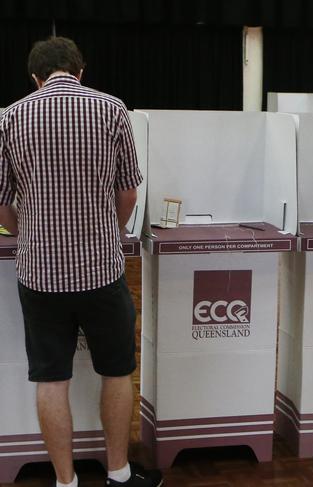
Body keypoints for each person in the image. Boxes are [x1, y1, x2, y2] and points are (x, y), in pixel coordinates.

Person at [0, 37, 162, 487]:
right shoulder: (112, 110)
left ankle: (65, 483)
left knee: (50, 379)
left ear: (34, 77)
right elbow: (129, 192)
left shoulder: (10, 117)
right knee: (116, 371)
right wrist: (108, 230)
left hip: (39, 275)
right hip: (101, 272)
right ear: (80, 69)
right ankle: (119, 474)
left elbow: (1, 205)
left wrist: (26, 233)